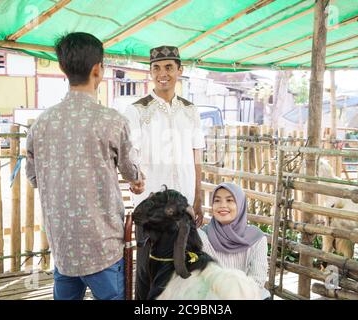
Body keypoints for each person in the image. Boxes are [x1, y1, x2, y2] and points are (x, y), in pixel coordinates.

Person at [25, 32, 144, 300]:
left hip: (64, 245)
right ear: (97, 70)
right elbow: (130, 170)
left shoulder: (42, 123)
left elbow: (34, 177)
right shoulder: (112, 121)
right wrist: (137, 179)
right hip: (103, 245)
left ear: (62, 68)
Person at [123, 45, 205, 299]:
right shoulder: (136, 110)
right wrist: (135, 183)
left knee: (184, 267)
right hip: (151, 208)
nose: (163, 73)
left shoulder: (191, 111)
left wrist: (198, 196)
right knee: (149, 270)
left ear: (179, 70)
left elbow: (197, 154)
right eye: (156, 68)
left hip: (185, 207)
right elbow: (128, 157)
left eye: (169, 67)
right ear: (150, 73)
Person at [198, 182, 270, 300]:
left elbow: (257, 280)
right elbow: (204, 278)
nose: (222, 205)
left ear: (240, 205)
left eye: (229, 200)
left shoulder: (257, 238)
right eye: (217, 200)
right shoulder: (202, 236)